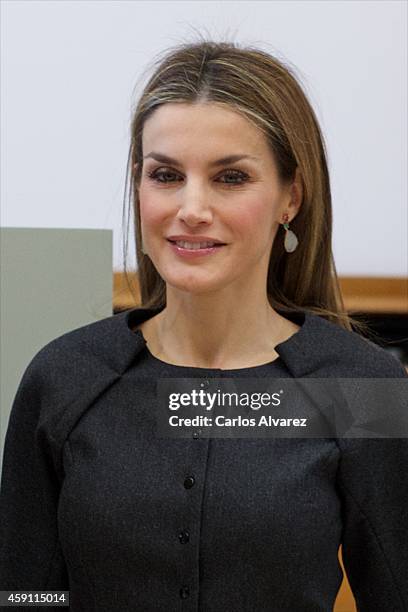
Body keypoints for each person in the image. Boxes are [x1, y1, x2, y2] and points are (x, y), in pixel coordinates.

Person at [1, 37, 407, 612]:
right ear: (138, 185)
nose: (191, 207)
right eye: (165, 175)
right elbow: (24, 592)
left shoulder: (363, 391)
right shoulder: (63, 376)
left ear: (292, 195)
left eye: (231, 178)